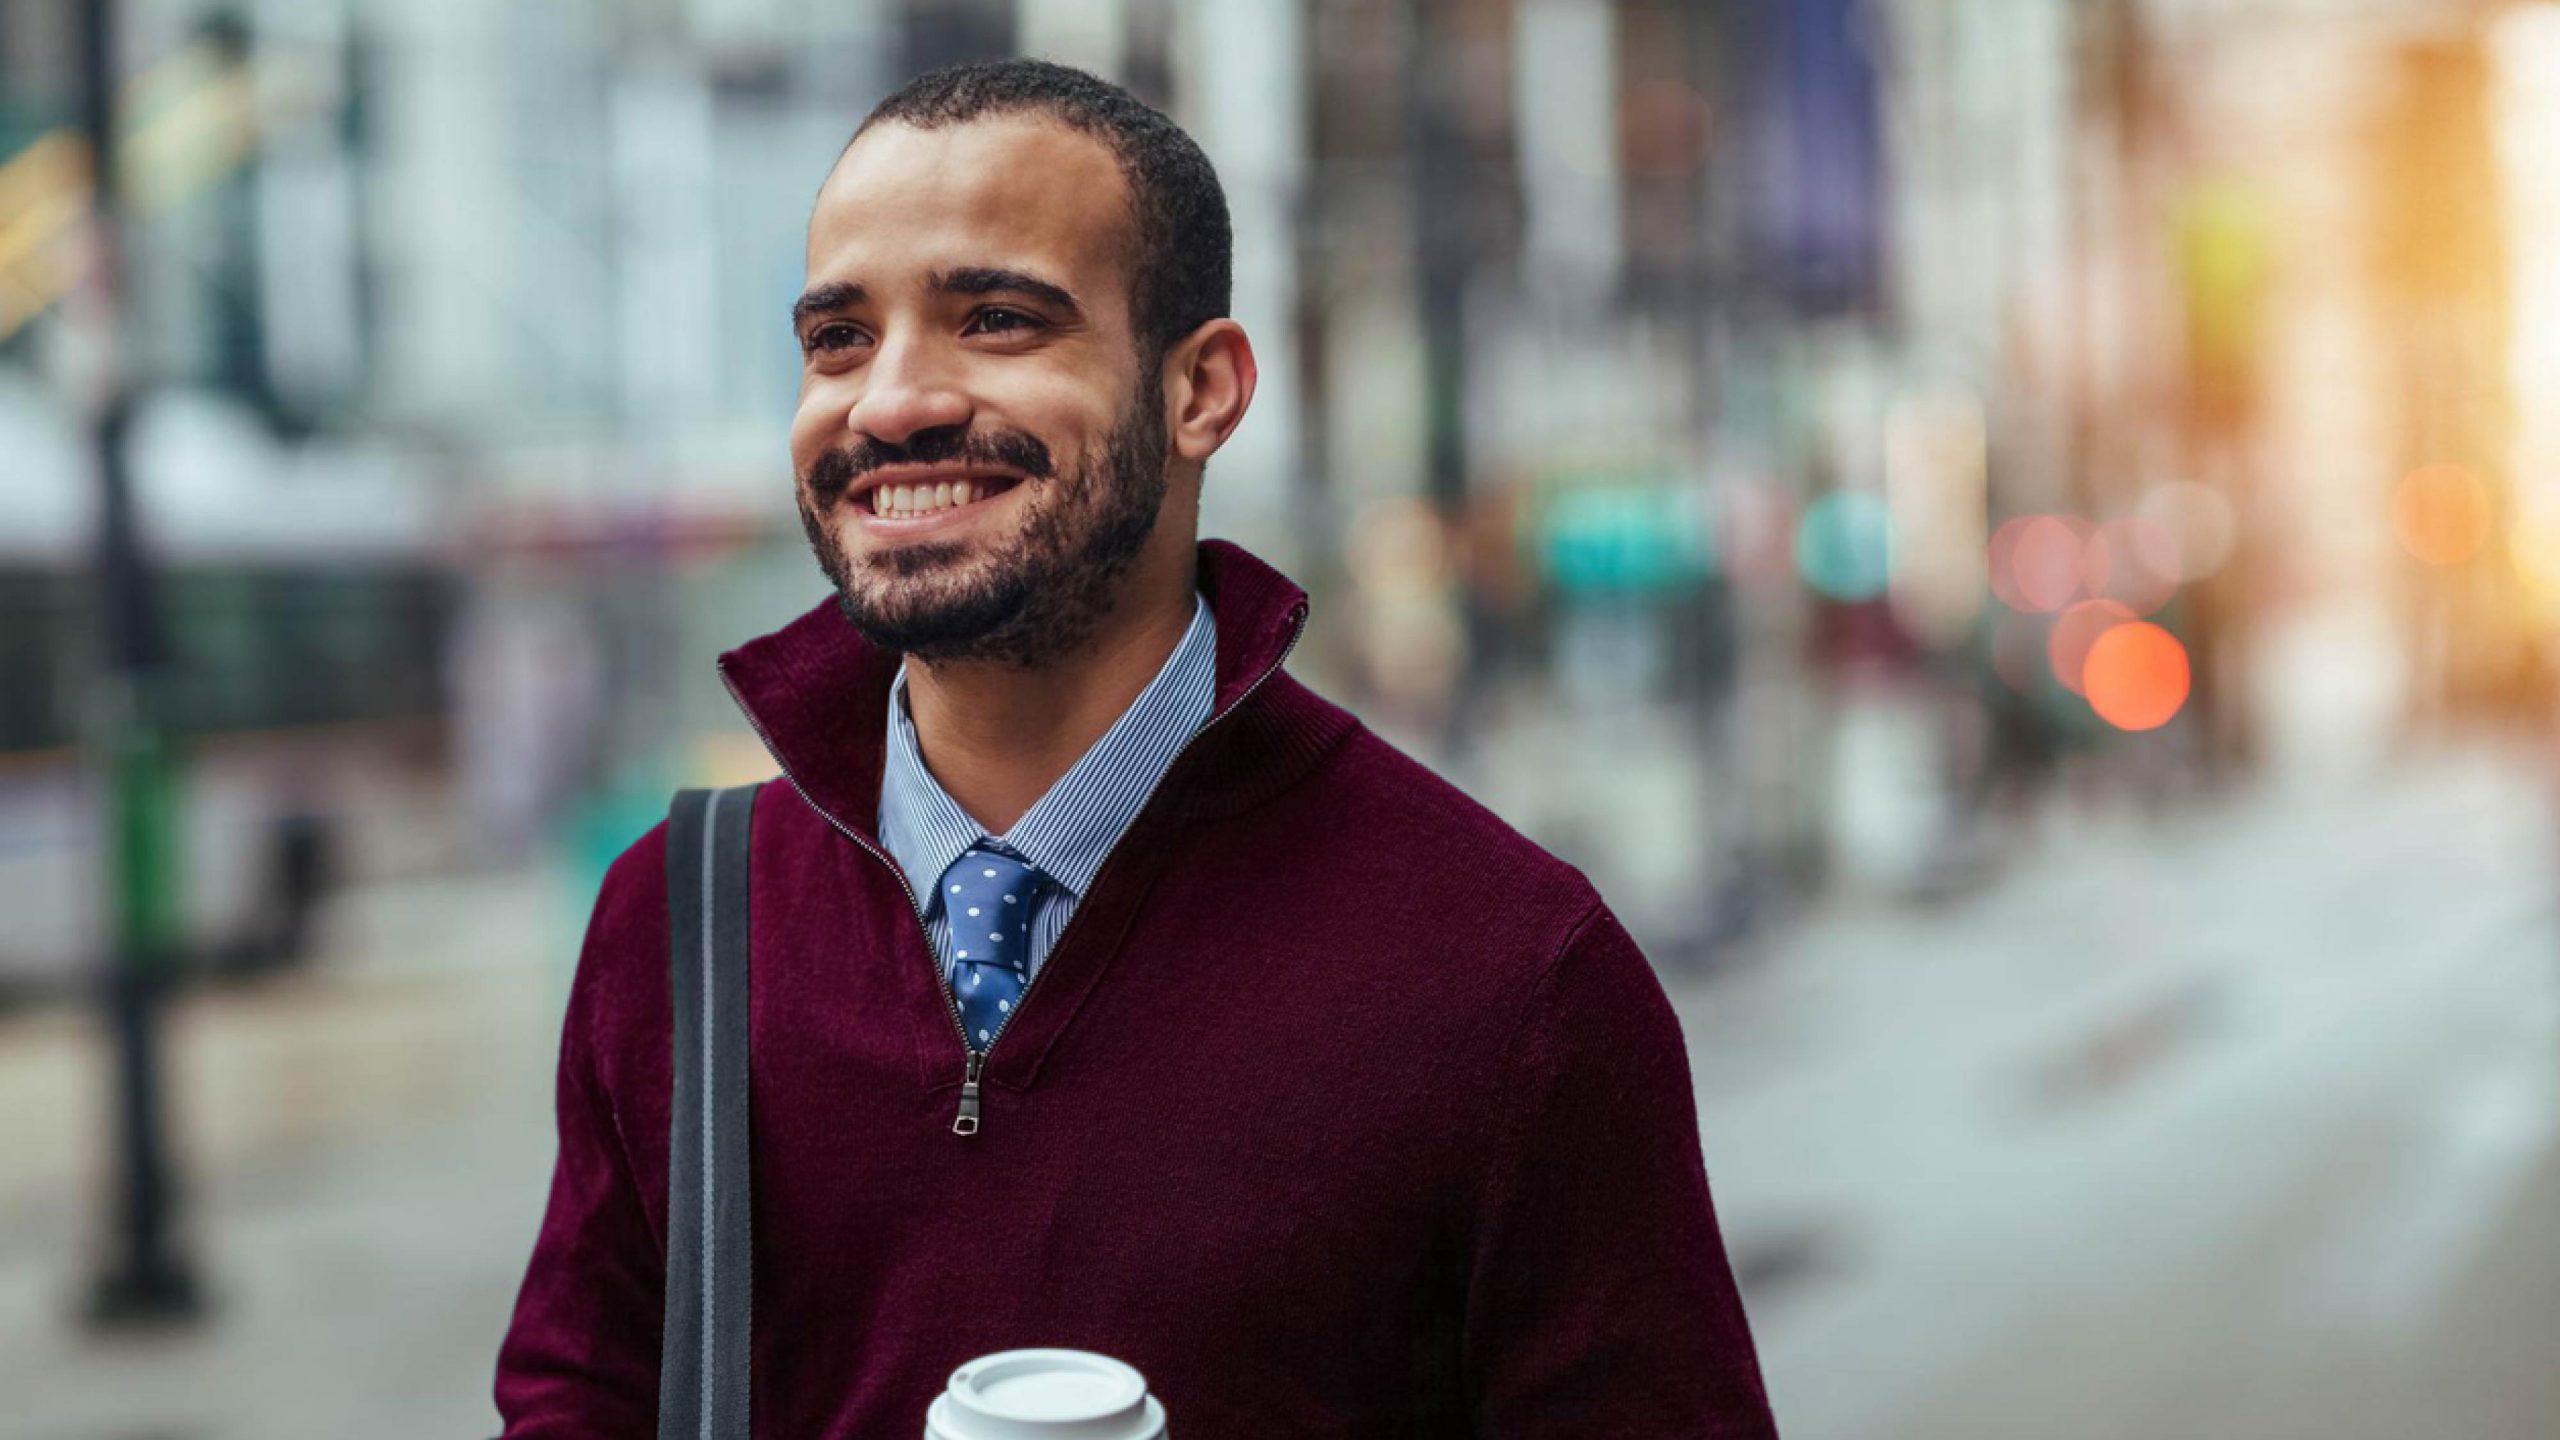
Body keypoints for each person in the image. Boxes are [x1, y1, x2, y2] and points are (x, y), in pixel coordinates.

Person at [492, 58, 1776, 1438]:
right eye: (837, 339)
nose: (889, 403)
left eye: (994, 318)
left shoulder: (1512, 975)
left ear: (1202, 392)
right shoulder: (676, 924)